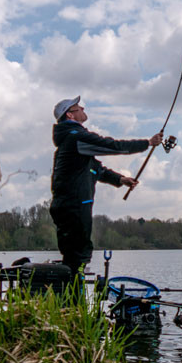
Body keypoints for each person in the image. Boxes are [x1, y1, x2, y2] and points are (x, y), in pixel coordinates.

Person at [49, 96, 162, 278]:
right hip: (73, 206)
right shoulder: (76, 137)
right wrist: (147, 143)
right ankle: (73, 301)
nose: (83, 108)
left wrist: (120, 179)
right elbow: (113, 145)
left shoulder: (72, 141)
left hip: (71, 206)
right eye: (79, 107)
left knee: (77, 255)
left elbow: (96, 169)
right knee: (77, 255)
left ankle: (72, 301)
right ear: (70, 114)